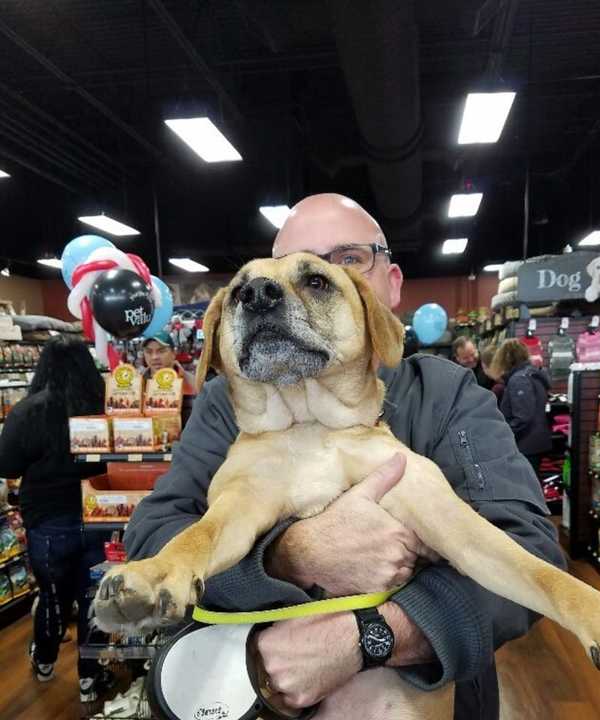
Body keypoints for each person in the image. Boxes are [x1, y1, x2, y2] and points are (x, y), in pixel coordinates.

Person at [125, 194, 565, 719]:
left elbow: (528, 548)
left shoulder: (446, 394)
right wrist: (287, 556)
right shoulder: (227, 404)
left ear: (392, 283)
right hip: (259, 698)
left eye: (347, 260)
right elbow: (152, 537)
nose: (280, 293)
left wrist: (372, 636)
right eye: (275, 277)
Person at [0, 337, 113, 702]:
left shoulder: (29, 410)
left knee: (51, 596)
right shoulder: (104, 404)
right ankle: (90, 677)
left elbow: (7, 465)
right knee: (95, 596)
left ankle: (45, 662)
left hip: (47, 520)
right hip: (101, 514)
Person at [490, 339, 552, 478]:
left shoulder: (519, 380)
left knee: (524, 486)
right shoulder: (532, 374)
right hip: (535, 441)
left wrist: (503, 434)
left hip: (525, 444)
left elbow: (523, 416)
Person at [142, 331, 196, 395]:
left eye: (161, 351)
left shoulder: (193, 383)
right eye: (148, 352)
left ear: (174, 353)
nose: (154, 357)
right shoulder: (136, 384)